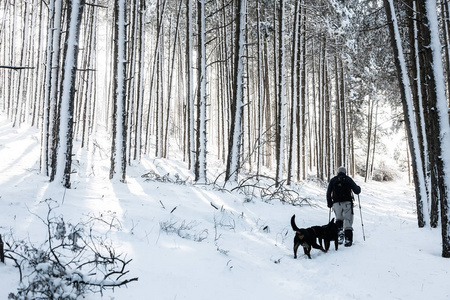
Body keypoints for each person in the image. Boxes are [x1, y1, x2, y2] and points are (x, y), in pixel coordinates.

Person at [326, 166, 361, 247]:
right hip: (347, 203)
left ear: (338, 172)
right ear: (345, 172)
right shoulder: (348, 179)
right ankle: (348, 239)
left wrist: (329, 203)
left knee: (339, 219)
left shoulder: (333, 180)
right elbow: (356, 191)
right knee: (347, 220)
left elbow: (328, 192)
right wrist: (359, 188)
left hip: (336, 204)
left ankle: (339, 237)